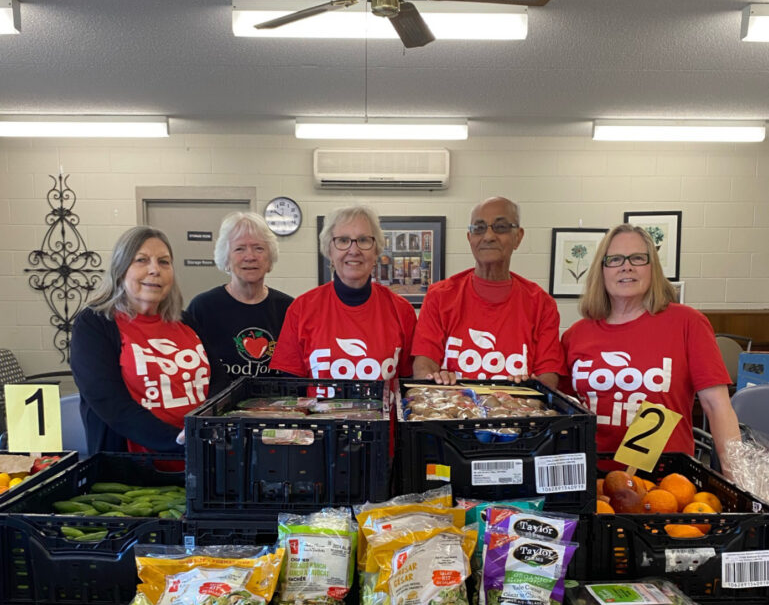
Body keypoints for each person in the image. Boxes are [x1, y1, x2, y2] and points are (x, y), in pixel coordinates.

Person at [562, 223, 740, 468]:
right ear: (601, 270)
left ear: (652, 267)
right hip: (590, 477)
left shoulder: (688, 323)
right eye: (615, 259)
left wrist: (738, 478)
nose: (626, 266)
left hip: (666, 481)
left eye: (637, 258)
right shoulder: (575, 335)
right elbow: (562, 411)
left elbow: (717, 406)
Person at [70, 227, 211, 453]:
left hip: (199, 457)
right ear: (120, 269)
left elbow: (218, 380)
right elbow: (108, 401)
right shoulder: (95, 323)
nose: (155, 270)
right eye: (141, 260)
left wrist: (208, 430)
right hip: (135, 465)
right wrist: (178, 440)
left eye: (164, 262)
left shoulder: (186, 321)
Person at [412, 197, 565, 389]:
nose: (489, 236)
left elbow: (548, 377)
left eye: (500, 227)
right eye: (479, 228)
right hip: (454, 407)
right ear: (470, 238)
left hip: (519, 408)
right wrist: (435, 380)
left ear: (518, 237)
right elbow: (424, 366)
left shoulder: (541, 304)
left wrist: (527, 394)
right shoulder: (440, 296)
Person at [270, 205, 416, 380]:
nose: (353, 250)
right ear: (329, 251)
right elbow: (289, 389)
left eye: (363, 240)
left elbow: (409, 384)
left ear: (376, 251)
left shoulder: (402, 310)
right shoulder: (301, 309)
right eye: (343, 240)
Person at [186, 212, 293, 385]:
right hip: (219, 402)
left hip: (277, 402)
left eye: (259, 248)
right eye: (239, 249)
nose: (250, 257)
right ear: (226, 259)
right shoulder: (202, 308)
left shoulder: (289, 308)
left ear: (269, 259)